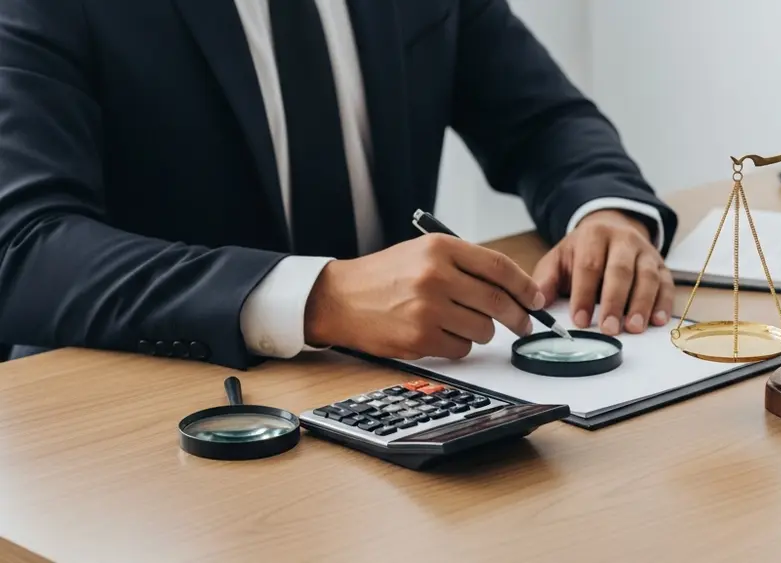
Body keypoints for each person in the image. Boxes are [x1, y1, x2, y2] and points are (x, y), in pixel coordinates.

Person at [0, 0, 678, 370]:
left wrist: (607, 213)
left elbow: (542, 118)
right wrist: (318, 296)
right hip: (152, 419)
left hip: (408, 403)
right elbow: (24, 248)